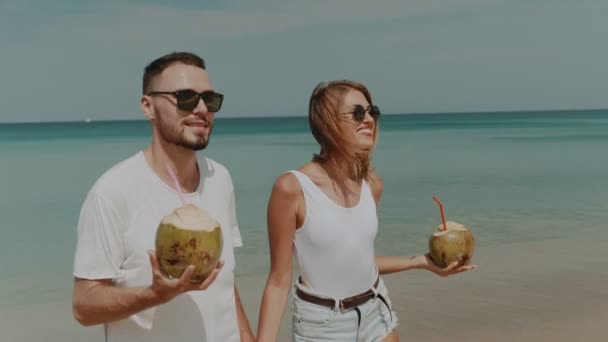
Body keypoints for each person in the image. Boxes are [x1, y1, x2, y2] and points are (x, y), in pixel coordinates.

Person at [256, 80, 476, 341]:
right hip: (323, 325)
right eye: (358, 113)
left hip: (376, 311)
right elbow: (279, 282)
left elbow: (356, 262)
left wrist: (420, 262)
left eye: (373, 112)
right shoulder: (293, 188)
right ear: (328, 123)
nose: (369, 119)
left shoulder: (371, 185)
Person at [72, 52, 254, 342]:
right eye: (185, 97)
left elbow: (224, 282)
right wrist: (154, 295)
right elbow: (84, 306)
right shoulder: (113, 192)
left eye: (210, 99)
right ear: (148, 106)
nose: (201, 109)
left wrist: (248, 336)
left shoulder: (220, 179)